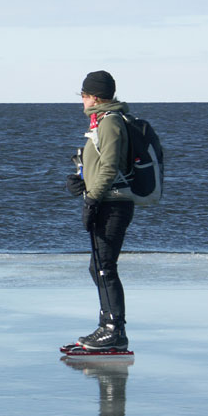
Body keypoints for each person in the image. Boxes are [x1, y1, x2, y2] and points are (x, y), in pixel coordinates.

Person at [65, 70, 134, 351]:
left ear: (94, 97)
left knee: (105, 267)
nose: (81, 100)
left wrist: (92, 198)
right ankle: (106, 325)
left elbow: (110, 166)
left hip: (113, 203)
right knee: (98, 266)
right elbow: (99, 165)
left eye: (83, 95)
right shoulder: (101, 122)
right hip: (104, 200)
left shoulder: (111, 122)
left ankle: (114, 331)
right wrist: (81, 183)